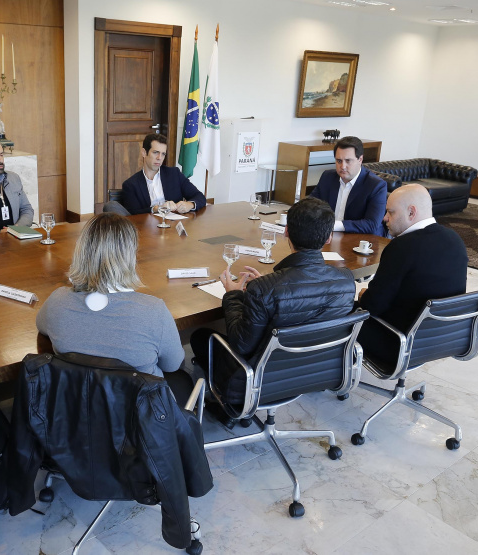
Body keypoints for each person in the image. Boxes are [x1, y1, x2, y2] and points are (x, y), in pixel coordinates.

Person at [36, 212, 194, 401]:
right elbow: (172, 365)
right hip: (140, 419)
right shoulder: (153, 311)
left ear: (81, 251)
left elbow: (41, 326)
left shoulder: (57, 301)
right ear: (130, 256)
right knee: (182, 379)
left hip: (77, 412)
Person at [190, 197, 356, 370]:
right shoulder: (346, 280)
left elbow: (240, 345)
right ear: (329, 237)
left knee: (200, 336)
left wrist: (233, 295)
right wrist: (268, 283)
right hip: (319, 369)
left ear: (286, 232)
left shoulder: (264, 289)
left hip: (262, 379)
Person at [358, 184, 467, 361]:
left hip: (397, 341)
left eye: (391, 212)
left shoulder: (401, 247)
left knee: (340, 313)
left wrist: (364, 296)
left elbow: (373, 306)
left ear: (411, 212)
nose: (385, 218)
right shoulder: (455, 240)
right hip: (443, 339)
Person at [308, 136, 387, 236]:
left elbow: (371, 224)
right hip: (329, 235)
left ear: (360, 159)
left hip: (362, 240)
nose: (343, 166)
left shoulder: (376, 186)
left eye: (348, 161)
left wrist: (333, 225)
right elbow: (310, 205)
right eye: (339, 161)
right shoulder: (327, 177)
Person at [120, 133, 207, 216]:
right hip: (147, 228)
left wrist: (189, 205)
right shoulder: (131, 184)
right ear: (144, 152)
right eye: (155, 152)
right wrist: (156, 208)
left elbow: (199, 197)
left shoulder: (174, 174)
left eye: (163, 154)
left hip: (174, 226)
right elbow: (132, 214)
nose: (159, 158)